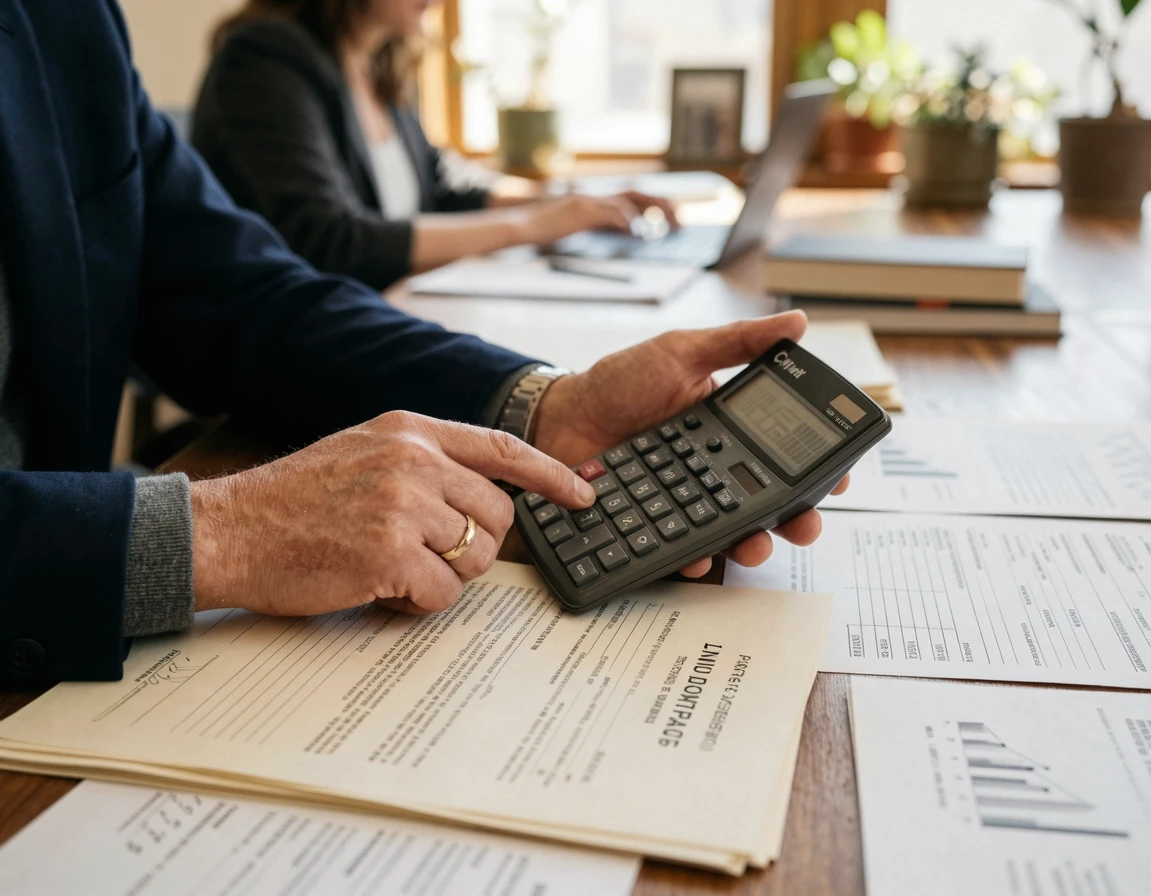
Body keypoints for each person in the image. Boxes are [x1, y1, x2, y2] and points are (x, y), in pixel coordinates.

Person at [0, 0, 844, 688]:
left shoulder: (65, 20)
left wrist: (546, 405)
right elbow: (327, 239)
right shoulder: (272, 58)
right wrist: (222, 536)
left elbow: (234, 291)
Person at [190, 0, 679, 291]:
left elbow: (442, 192)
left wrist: (580, 204)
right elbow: (331, 241)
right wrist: (532, 224)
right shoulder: (263, 59)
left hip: (388, 308)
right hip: (288, 334)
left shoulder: (379, 68)